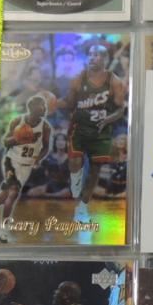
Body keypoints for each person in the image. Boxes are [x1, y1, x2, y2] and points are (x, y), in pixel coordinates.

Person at [48, 44, 127, 221]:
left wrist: (107, 119)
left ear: (105, 59)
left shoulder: (114, 81)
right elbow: (69, 102)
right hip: (80, 127)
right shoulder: (78, 79)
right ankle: (75, 184)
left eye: (96, 55)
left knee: (95, 170)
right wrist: (55, 103)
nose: (92, 57)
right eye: (90, 54)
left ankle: (83, 204)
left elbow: (120, 109)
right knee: (75, 162)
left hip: (101, 130)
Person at [0, 94, 52, 243]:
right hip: (11, 161)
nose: (45, 108)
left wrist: (38, 158)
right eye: (41, 106)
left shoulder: (45, 127)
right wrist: (20, 139)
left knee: (4, 197)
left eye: (45, 106)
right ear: (32, 108)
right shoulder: (18, 121)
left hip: (26, 166)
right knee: (13, 193)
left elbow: (46, 147)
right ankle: (3, 232)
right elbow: (5, 142)